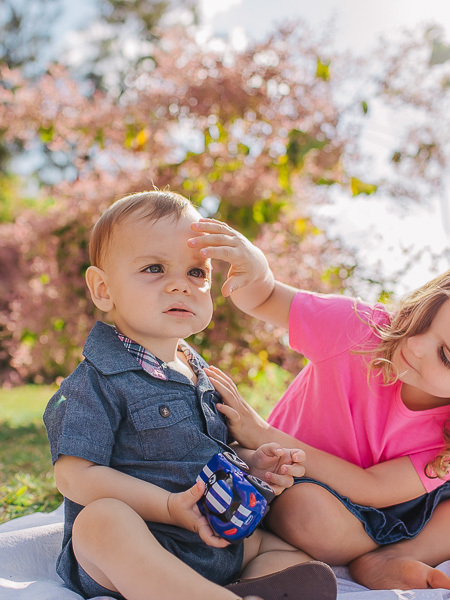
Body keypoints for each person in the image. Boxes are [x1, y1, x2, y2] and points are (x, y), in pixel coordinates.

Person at [188, 218, 450, 591]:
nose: (415, 345)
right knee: (306, 515)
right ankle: (407, 526)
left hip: (382, 492)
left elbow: (373, 488)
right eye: (427, 318)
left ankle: (392, 554)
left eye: (447, 356)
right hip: (309, 483)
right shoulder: (359, 330)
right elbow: (264, 299)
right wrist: (255, 272)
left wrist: (262, 431)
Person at [43, 191, 338, 600]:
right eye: (154, 268)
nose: (181, 284)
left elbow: (208, 451)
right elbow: (74, 476)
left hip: (215, 541)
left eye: (197, 273)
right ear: (103, 288)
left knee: (285, 552)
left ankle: (242, 588)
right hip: (142, 546)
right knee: (100, 522)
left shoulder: (200, 373)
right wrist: (166, 508)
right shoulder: (96, 381)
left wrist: (252, 461)